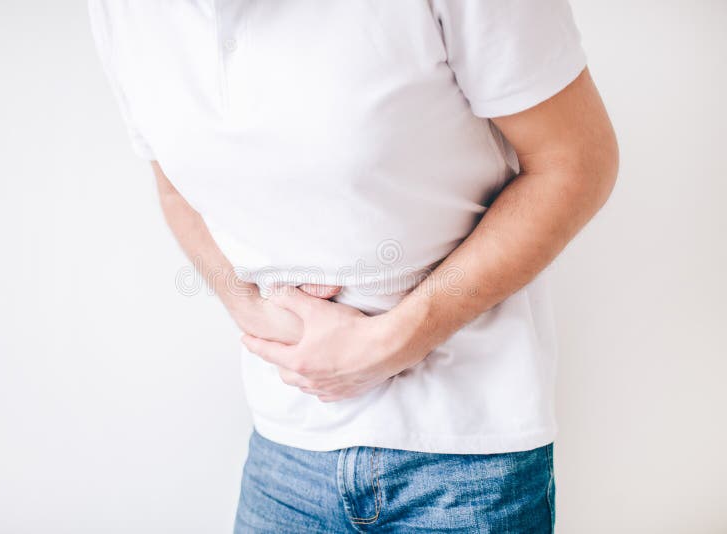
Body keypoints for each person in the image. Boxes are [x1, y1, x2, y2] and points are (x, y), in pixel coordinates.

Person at [88, 1, 618, 531]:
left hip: (464, 453)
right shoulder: (122, 13)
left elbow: (576, 162)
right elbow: (175, 190)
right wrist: (250, 310)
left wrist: (399, 338)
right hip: (287, 451)